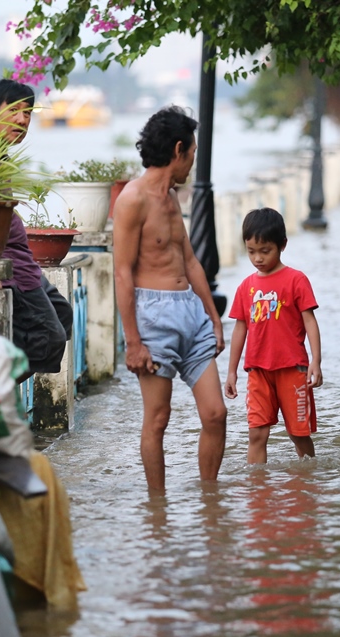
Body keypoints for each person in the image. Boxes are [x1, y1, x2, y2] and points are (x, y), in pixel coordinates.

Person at [112, 106, 227, 492]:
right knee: (158, 419)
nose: (192, 163)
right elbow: (122, 272)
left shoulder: (173, 197)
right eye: (192, 154)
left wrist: (213, 317)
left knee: (215, 414)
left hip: (191, 315)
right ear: (179, 149)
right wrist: (133, 342)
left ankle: (210, 501)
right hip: (153, 317)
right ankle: (157, 510)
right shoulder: (132, 199)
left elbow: (190, 260)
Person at [0, 79, 73, 382]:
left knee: (63, 317)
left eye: (28, 113)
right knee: (50, 337)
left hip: (24, 264)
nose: (23, 120)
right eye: (15, 111)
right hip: (11, 269)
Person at [224, 207, 323, 464]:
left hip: (292, 368)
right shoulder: (246, 287)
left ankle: (308, 480)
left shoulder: (296, 280)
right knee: (256, 434)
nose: (258, 258)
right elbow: (240, 329)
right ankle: (257, 490)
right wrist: (232, 371)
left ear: (282, 246)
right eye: (251, 251)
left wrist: (315, 361)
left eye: (265, 251)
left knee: (298, 434)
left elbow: (310, 321)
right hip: (257, 371)